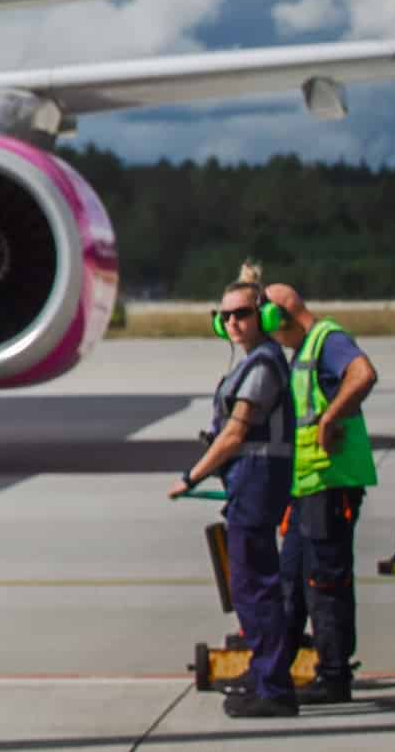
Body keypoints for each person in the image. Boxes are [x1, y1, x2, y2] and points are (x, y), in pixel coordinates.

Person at [170, 277, 298, 718]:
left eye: (242, 313)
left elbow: (235, 433)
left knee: (255, 587)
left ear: (263, 317)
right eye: (224, 316)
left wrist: (192, 476)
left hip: (258, 482)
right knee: (248, 586)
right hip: (248, 482)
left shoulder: (263, 364)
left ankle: (275, 688)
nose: (232, 323)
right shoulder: (251, 362)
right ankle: (265, 675)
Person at [269, 281, 378, 705]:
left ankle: (334, 677)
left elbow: (363, 373)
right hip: (307, 488)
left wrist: (332, 418)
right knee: (291, 584)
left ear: (283, 319)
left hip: (331, 487)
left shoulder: (328, 341)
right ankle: (276, 674)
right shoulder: (305, 352)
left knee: (324, 582)